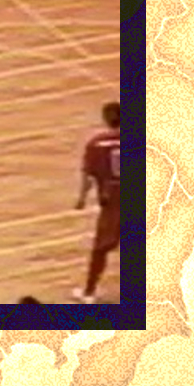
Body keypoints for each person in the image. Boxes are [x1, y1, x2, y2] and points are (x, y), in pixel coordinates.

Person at [72, 100, 121, 304]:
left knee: (101, 249)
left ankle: (89, 292)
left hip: (113, 203)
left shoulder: (96, 144)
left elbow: (88, 175)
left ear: (106, 119)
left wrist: (82, 199)